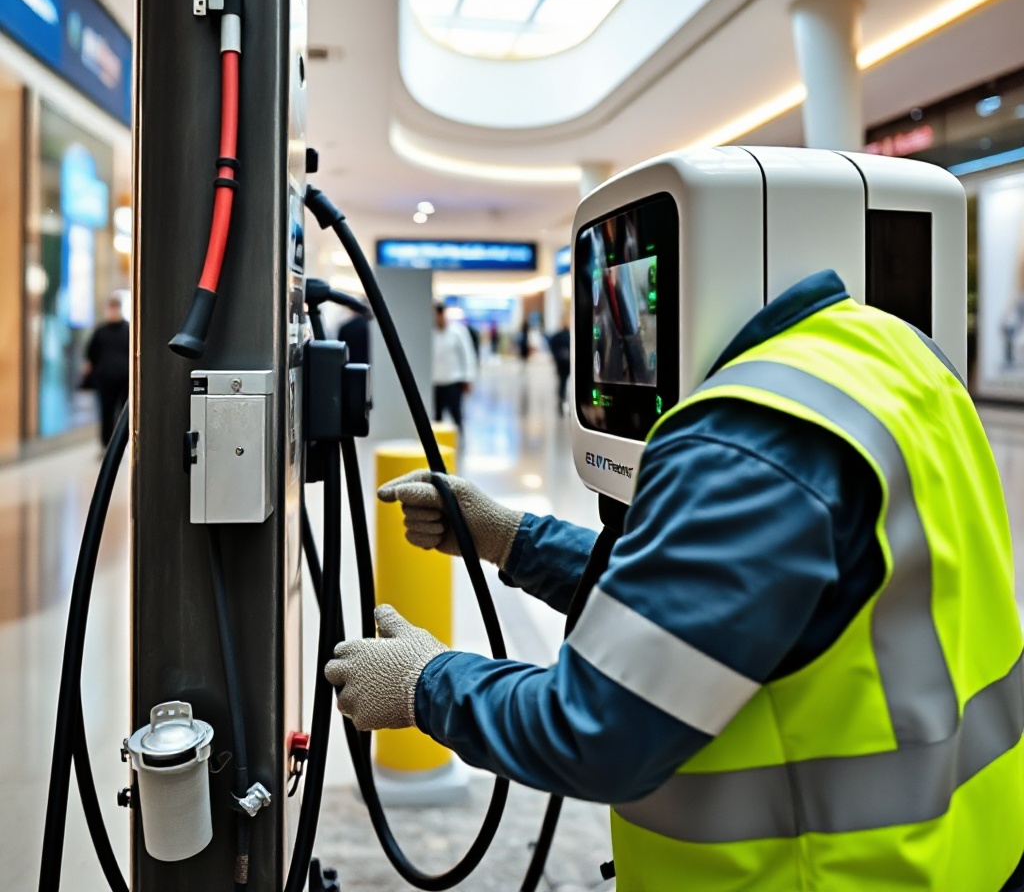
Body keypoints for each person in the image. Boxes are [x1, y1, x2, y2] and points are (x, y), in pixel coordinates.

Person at [326, 271, 1024, 891]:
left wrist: (427, 685)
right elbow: (715, 604)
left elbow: (595, 731)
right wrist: (513, 538)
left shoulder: (747, 437)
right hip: (965, 854)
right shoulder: (887, 352)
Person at [84, 294, 130, 447]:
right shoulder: (101, 331)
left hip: (124, 379)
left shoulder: (128, 330)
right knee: (106, 412)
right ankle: (107, 444)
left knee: (124, 413)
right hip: (105, 379)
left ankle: (122, 443)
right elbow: (91, 354)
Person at [431, 301, 476, 432]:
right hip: (436, 381)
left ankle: (459, 438)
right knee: (437, 416)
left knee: (456, 413)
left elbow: (468, 355)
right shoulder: (431, 332)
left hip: (453, 381)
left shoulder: (458, 331)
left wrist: (468, 378)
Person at [547, 317, 571, 416]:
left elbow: (551, 344)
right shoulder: (569, 336)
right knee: (566, 382)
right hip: (567, 363)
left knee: (562, 382)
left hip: (560, 362)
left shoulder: (557, 336)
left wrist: (555, 355)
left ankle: (562, 400)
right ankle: (564, 401)